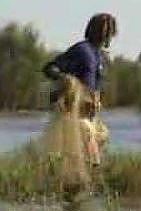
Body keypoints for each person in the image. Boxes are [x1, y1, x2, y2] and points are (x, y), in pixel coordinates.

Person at [43, 13, 117, 165]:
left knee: (101, 139)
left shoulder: (99, 56)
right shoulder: (81, 51)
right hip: (74, 117)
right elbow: (50, 68)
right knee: (89, 160)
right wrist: (67, 80)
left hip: (90, 117)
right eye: (105, 30)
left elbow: (95, 85)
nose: (107, 35)